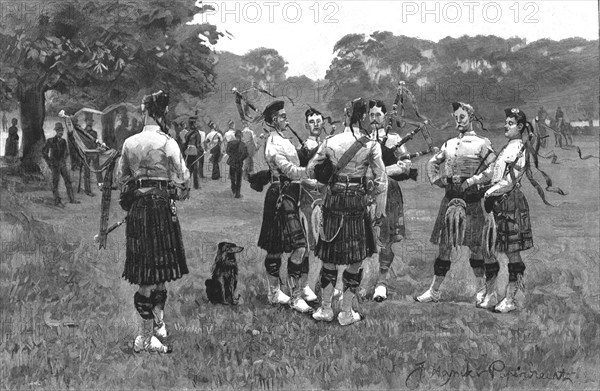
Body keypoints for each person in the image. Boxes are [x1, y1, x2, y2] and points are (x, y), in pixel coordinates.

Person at [116, 90, 190, 353]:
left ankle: (158, 324)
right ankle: (145, 339)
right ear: (163, 113)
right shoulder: (169, 143)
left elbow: (120, 179)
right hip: (160, 209)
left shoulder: (130, 143)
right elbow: (184, 179)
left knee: (154, 274)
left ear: (144, 111)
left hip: (138, 211)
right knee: (153, 275)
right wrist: (173, 187)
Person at [306, 98, 388, 325]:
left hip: (333, 202)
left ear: (345, 115)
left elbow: (311, 169)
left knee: (330, 257)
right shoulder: (371, 145)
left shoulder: (330, 141)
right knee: (355, 259)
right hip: (356, 203)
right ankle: (346, 312)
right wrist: (372, 195)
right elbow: (382, 181)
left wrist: (326, 175)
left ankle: (324, 309)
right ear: (362, 117)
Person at [415, 102, 497, 307]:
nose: (458, 121)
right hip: (450, 199)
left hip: (471, 201)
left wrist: (474, 181)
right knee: (444, 248)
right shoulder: (450, 143)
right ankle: (434, 291)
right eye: (456, 118)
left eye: (462, 117)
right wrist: (437, 180)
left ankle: (481, 290)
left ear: (470, 116)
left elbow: (493, 168)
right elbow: (433, 162)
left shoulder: (482, 143)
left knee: (476, 249)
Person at [463, 108, 534, 313]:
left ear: (520, 127)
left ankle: (510, 298)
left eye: (510, 123)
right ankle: (492, 293)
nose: (505, 125)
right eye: (506, 122)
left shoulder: (521, 149)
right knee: (489, 249)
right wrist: (474, 180)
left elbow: (510, 181)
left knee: (512, 252)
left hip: (510, 203)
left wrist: (488, 193)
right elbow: (493, 171)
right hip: (497, 203)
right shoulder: (507, 147)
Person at [257, 100, 313, 313]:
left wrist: (304, 153)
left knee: (283, 247)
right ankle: (289, 296)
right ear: (273, 120)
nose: (286, 119)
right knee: (288, 246)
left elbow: (295, 162)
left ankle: (282, 293)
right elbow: (289, 170)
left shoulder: (283, 139)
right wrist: (310, 171)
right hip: (280, 195)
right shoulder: (273, 143)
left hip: (291, 193)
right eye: (282, 116)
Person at [368, 100, 413, 302]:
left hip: (389, 193)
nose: (374, 119)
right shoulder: (363, 139)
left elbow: (406, 165)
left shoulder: (394, 139)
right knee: (364, 236)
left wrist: (383, 172)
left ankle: (381, 284)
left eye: (378, 115)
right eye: (371, 115)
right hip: (366, 192)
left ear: (385, 117)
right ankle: (363, 280)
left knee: (384, 237)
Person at [296, 107, 328, 303]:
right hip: (308, 199)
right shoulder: (301, 149)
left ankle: (318, 285)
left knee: (325, 243)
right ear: (306, 125)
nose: (316, 124)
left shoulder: (328, 144)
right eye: (312, 121)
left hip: (325, 199)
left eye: (319, 121)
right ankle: (306, 286)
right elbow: (299, 173)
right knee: (311, 245)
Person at [42, 122, 81, 207]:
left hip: (62, 164)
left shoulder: (63, 141)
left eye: (62, 130)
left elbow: (66, 152)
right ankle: (57, 201)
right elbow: (44, 153)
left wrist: (64, 159)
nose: (61, 132)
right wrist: (49, 163)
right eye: (59, 130)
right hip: (54, 165)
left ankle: (72, 199)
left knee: (68, 181)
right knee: (55, 183)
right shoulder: (50, 141)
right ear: (56, 131)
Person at [226, 130, 248, 198]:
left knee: (232, 177)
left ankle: (233, 189)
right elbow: (246, 154)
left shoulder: (230, 143)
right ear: (241, 136)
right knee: (238, 179)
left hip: (232, 162)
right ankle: (237, 194)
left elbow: (227, 151)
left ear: (235, 136)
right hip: (239, 163)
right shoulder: (243, 144)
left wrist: (232, 156)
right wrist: (241, 159)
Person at [183, 121, 205, 190]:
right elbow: (198, 144)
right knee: (195, 168)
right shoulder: (197, 133)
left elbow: (185, 142)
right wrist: (202, 151)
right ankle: (196, 185)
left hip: (188, 151)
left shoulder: (187, 133)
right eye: (195, 124)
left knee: (189, 167)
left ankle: (185, 184)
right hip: (194, 151)